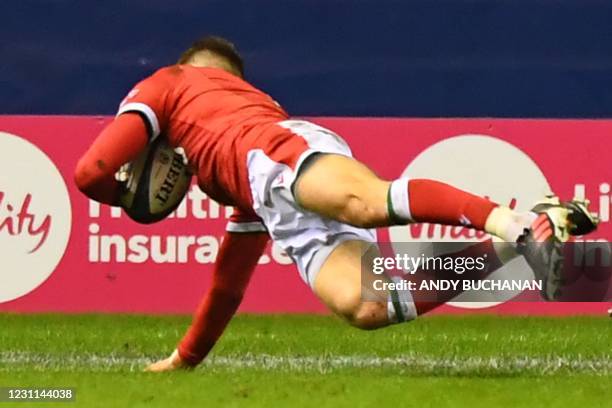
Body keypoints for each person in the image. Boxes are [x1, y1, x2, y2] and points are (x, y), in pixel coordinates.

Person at [74, 36, 598, 372]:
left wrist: (126, 200)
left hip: (279, 154)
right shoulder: (220, 164)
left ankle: (522, 226)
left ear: (192, 70)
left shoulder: (170, 83)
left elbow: (91, 172)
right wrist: (186, 358)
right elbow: (230, 279)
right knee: (373, 304)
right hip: (272, 186)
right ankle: (518, 238)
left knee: (367, 203)